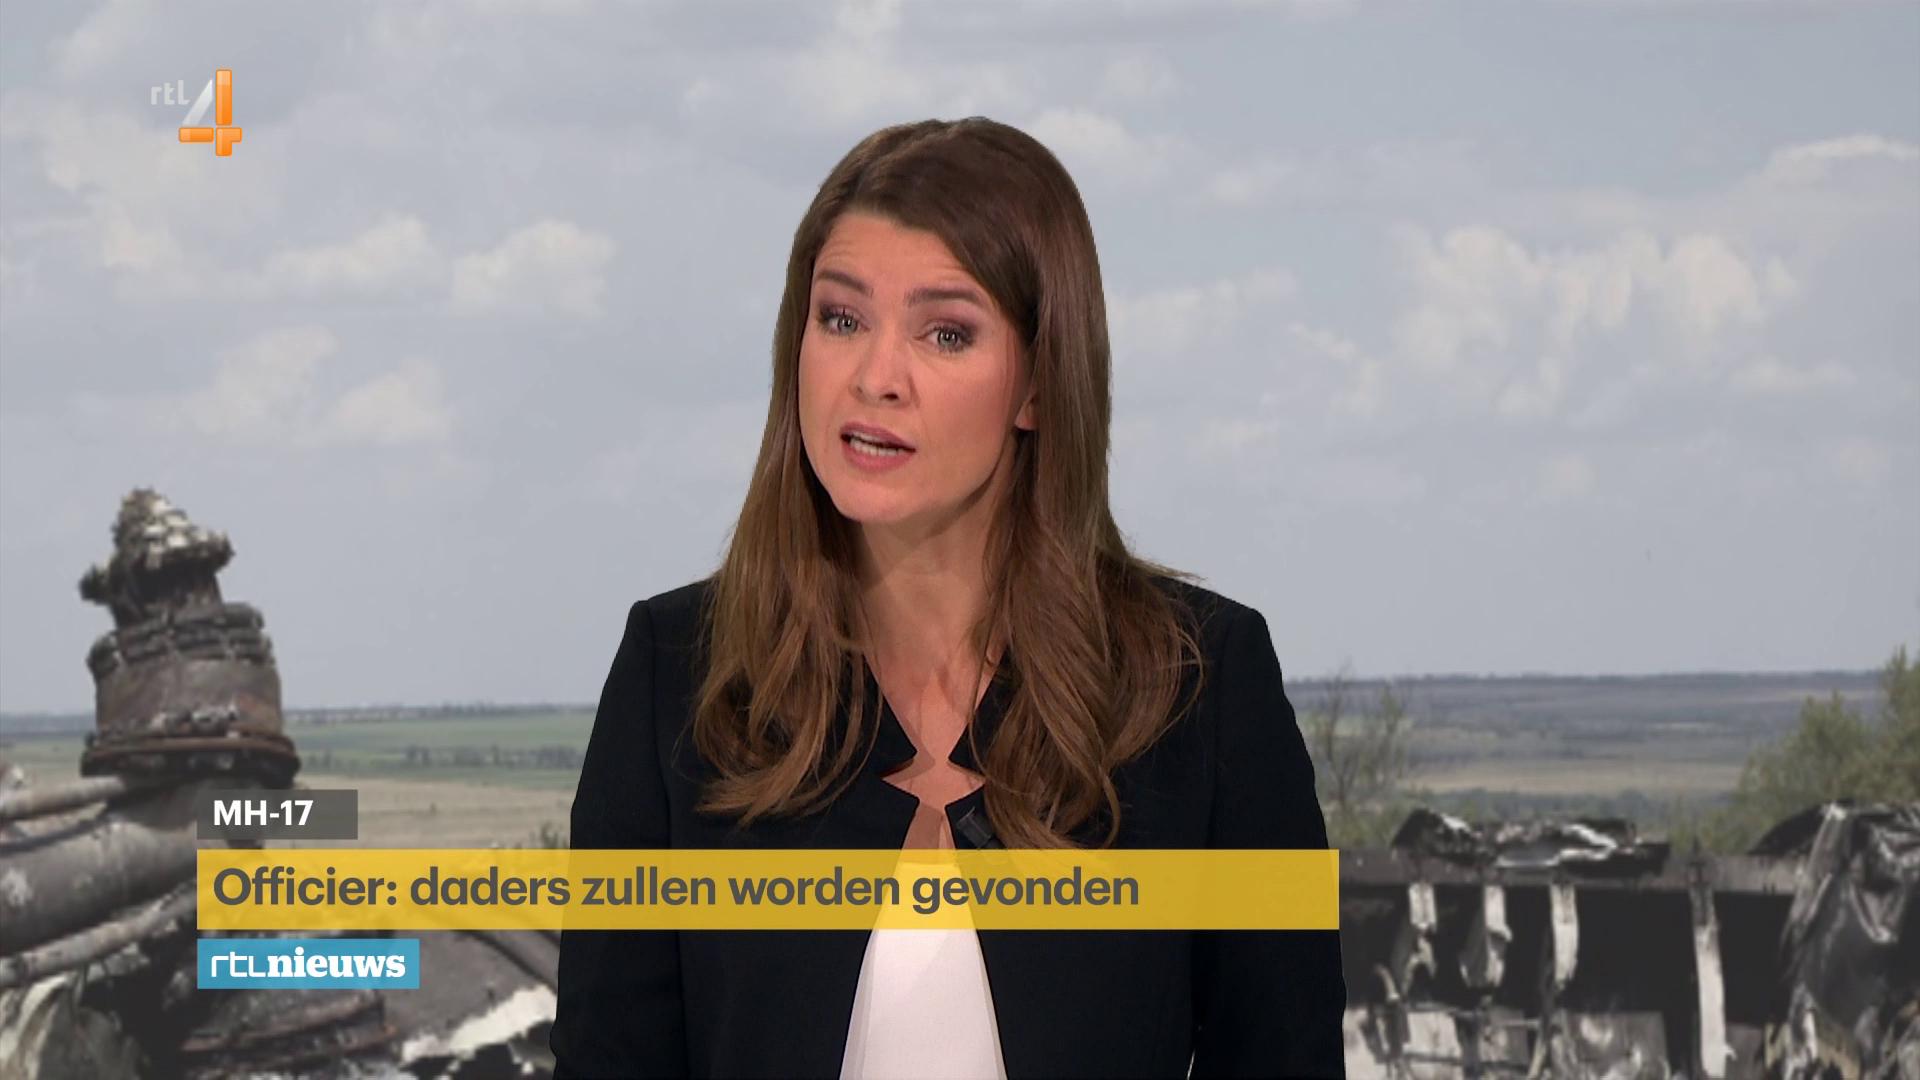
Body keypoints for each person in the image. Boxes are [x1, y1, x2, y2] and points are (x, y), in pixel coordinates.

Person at [551, 116, 1346, 1080]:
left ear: (1039, 384)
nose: (875, 379)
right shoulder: (677, 675)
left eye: (946, 333)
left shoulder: (1199, 686)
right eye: (841, 319)